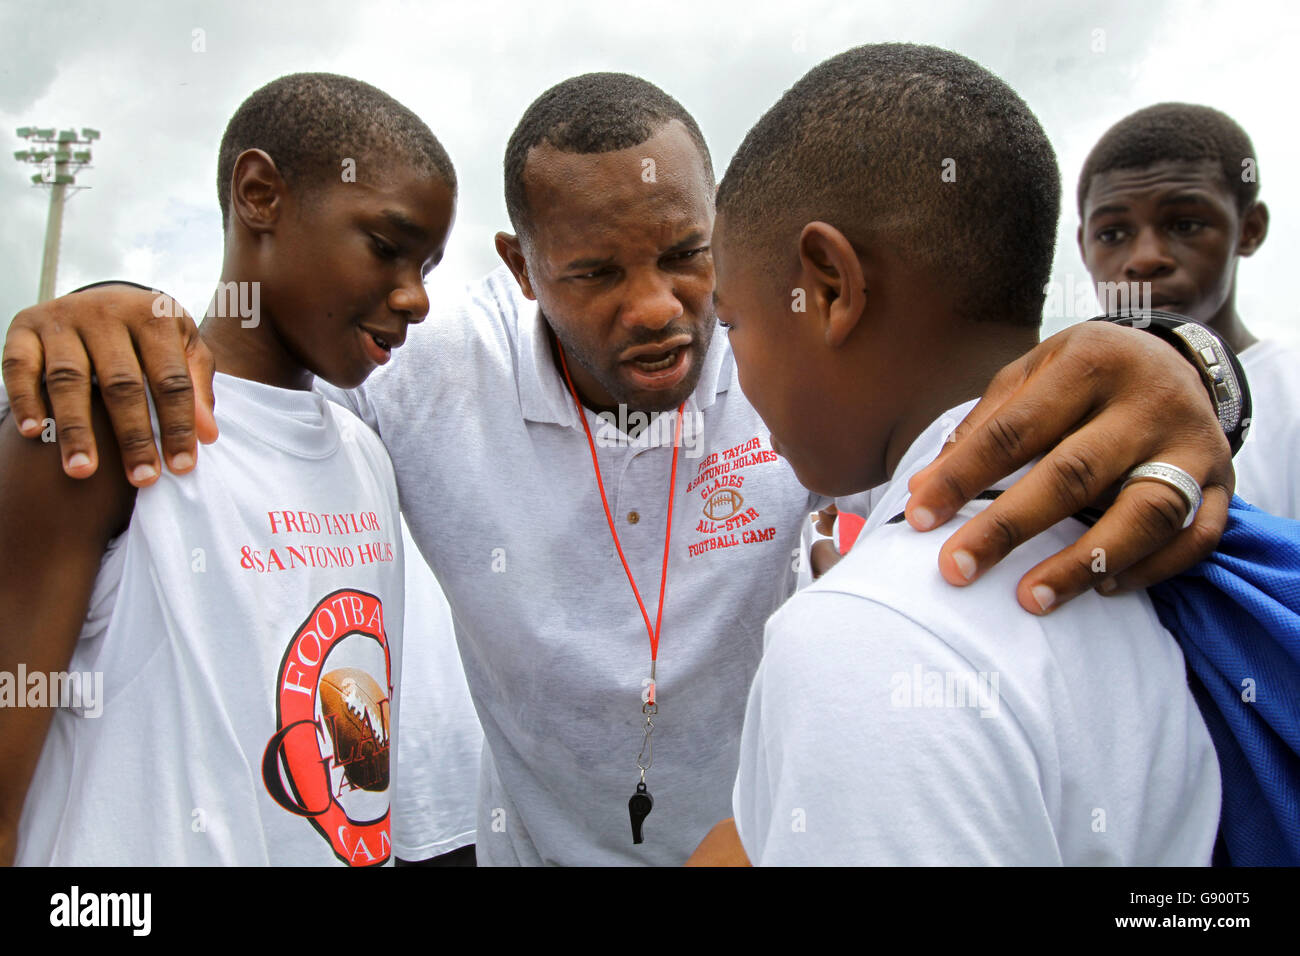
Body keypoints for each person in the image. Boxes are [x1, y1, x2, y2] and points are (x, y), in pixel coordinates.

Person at [2, 73, 1238, 866]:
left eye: (689, 258)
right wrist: (111, 304)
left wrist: (1183, 366)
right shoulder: (424, 377)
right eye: (594, 273)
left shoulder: (799, 381)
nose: (661, 313)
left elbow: (983, 356)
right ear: (518, 265)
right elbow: (265, 368)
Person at [702, 42, 1219, 866]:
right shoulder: (1134, 525)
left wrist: (870, 617)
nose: (731, 365)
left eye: (730, 323)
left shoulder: (873, 641)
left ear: (830, 288)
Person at [0, 73, 456, 866]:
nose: (415, 298)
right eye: (387, 248)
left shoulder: (363, 456)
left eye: (429, 267)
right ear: (260, 195)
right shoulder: (114, 424)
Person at [1078, 102, 1299, 519]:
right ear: (1082, 247)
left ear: (1248, 229)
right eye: (1112, 233)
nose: (1145, 259)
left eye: (1184, 225)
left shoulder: (1292, 396)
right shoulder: (1062, 410)